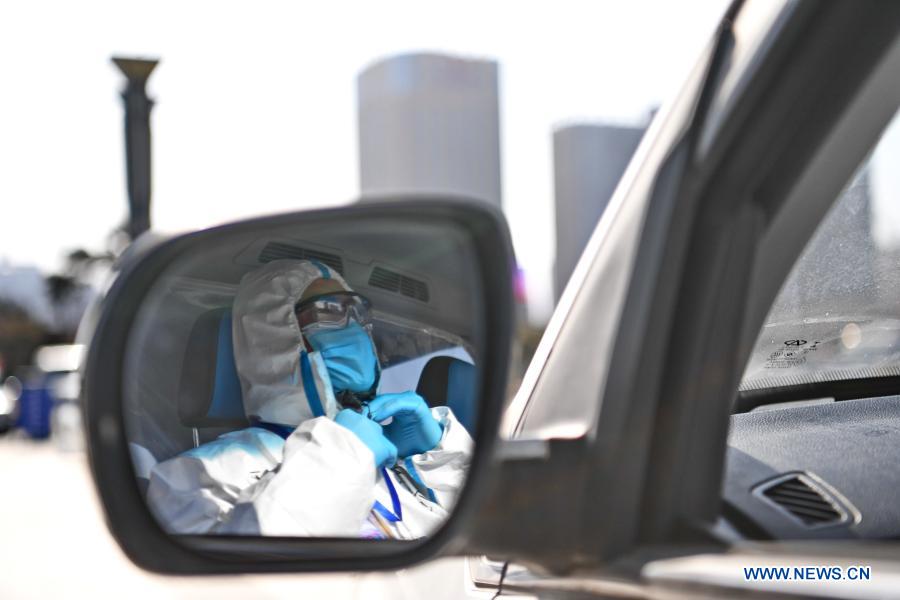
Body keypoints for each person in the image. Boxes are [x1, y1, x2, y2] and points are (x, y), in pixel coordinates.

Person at [146, 259, 473, 539]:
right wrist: (341, 456)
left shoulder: (390, 461)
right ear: (275, 337)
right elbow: (242, 576)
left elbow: (475, 547)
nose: (357, 328)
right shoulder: (199, 476)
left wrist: (439, 458)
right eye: (329, 312)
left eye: (357, 313)